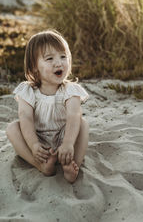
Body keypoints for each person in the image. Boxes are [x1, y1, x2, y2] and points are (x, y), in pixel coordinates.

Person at [5, 30, 89, 183]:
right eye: (50, 59)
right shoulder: (28, 91)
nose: (59, 63)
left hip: (65, 138)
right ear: (34, 67)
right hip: (38, 139)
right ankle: (41, 164)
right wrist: (34, 144)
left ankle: (71, 164)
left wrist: (69, 143)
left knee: (83, 125)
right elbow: (26, 118)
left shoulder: (70, 90)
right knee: (12, 128)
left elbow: (73, 115)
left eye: (63, 57)